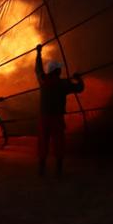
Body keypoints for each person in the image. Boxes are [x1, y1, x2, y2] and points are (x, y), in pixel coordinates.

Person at [35, 44, 84, 177]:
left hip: (44, 117)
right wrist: (79, 78)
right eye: (59, 69)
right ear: (57, 71)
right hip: (56, 118)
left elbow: (37, 68)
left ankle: (41, 169)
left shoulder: (43, 80)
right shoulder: (63, 84)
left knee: (43, 142)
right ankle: (58, 170)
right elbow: (80, 88)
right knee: (59, 142)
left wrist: (38, 53)